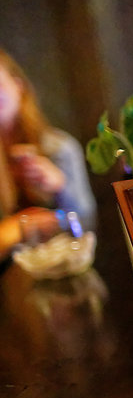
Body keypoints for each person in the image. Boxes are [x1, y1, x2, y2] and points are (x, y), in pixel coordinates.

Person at [0, 48, 97, 261]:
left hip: (60, 264)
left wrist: (61, 187)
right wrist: (12, 230)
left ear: (18, 86)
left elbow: (88, 226)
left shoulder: (59, 148)